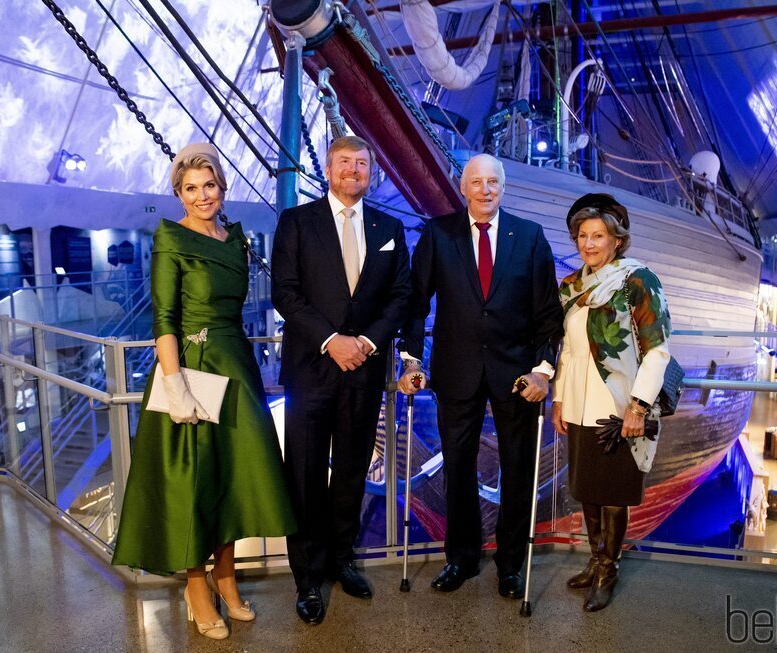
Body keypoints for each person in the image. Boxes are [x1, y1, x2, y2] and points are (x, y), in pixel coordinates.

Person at [112, 143, 296, 640]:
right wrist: (174, 387)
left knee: (232, 479)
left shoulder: (234, 239)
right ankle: (196, 586)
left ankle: (227, 577)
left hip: (235, 367)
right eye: (191, 188)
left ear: (222, 186)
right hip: (192, 371)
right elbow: (164, 319)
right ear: (178, 194)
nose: (202, 195)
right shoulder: (171, 239)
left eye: (209, 185)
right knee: (196, 480)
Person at [397, 153, 563, 599]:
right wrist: (412, 360)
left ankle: (511, 567)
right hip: (456, 372)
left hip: (517, 377)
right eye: (476, 182)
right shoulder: (439, 234)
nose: (485, 189)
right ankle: (461, 558)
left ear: (502, 186)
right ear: (463, 186)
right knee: (457, 469)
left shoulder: (529, 237)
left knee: (518, 470)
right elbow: (415, 303)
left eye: (493, 182)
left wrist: (544, 371)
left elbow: (548, 313)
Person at [271, 135, 411, 625]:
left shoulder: (389, 227)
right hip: (312, 368)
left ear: (370, 171)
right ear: (329, 169)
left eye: (362, 163)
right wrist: (334, 340)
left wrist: (367, 343)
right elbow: (284, 293)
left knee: (352, 468)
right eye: (345, 162)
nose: (354, 170)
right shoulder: (296, 222)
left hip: (365, 370)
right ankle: (308, 578)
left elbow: (401, 296)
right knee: (306, 474)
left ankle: (342, 559)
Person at [551, 193, 672, 611]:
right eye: (582, 235)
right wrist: (559, 399)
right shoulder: (571, 285)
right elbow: (566, 349)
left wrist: (638, 406)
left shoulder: (638, 280)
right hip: (580, 404)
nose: (588, 243)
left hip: (620, 408)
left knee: (615, 493)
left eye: (598, 235)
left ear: (616, 240)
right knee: (587, 489)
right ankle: (595, 558)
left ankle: (609, 568)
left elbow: (658, 350)